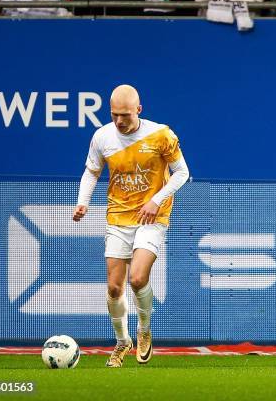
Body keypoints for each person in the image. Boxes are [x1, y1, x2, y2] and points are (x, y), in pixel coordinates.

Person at [73, 84, 190, 367]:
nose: (119, 121)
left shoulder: (161, 135)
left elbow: (182, 173)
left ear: (138, 109)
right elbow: (92, 171)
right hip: (118, 217)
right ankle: (122, 341)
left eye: (125, 114)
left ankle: (144, 330)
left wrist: (156, 200)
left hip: (151, 217)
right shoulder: (102, 136)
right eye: (114, 115)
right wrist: (83, 202)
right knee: (114, 288)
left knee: (137, 279)